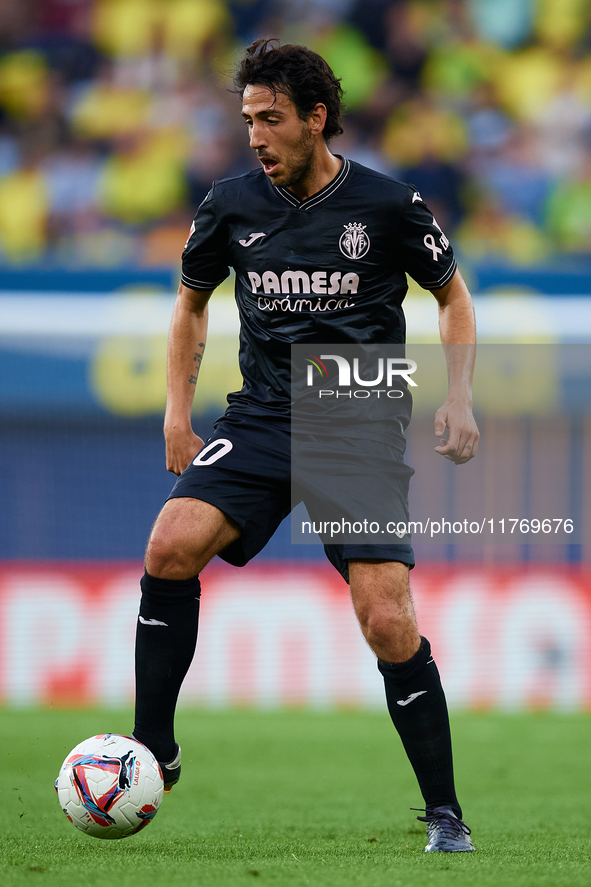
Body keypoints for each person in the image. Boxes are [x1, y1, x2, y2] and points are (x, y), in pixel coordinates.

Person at [132, 38, 480, 853]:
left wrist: (459, 395)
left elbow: (451, 297)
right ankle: (154, 751)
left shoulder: (389, 205)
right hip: (260, 413)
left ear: (315, 118)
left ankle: (445, 813)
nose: (255, 134)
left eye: (271, 118)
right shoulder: (228, 204)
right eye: (248, 118)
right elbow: (190, 308)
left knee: (386, 620)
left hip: (354, 409)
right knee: (168, 544)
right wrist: (176, 413)